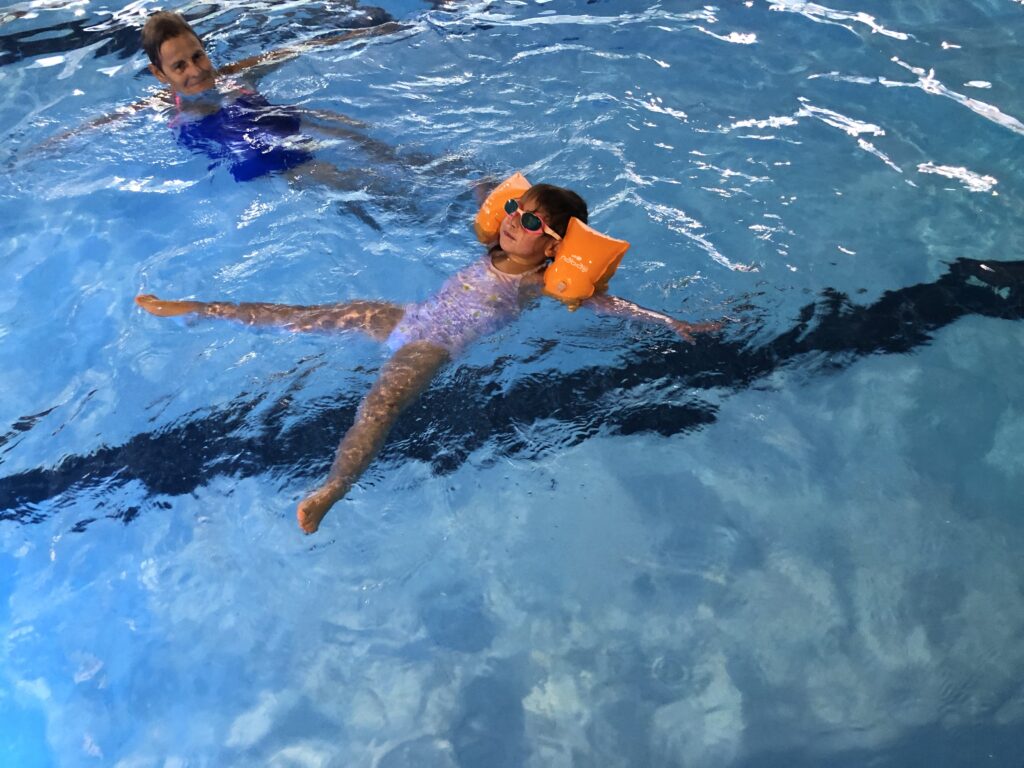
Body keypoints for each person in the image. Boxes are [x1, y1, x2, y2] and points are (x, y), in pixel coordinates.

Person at [134, 181, 721, 533]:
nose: (513, 221)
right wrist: (484, 187)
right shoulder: (496, 245)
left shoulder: (541, 280)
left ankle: (332, 489)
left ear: (553, 246)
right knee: (300, 315)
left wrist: (671, 323)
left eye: (530, 221)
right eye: (514, 209)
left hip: (433, 345)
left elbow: (605, 304)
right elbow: (488, 201)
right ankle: (196, 308)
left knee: (380, 406)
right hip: (406, 316)